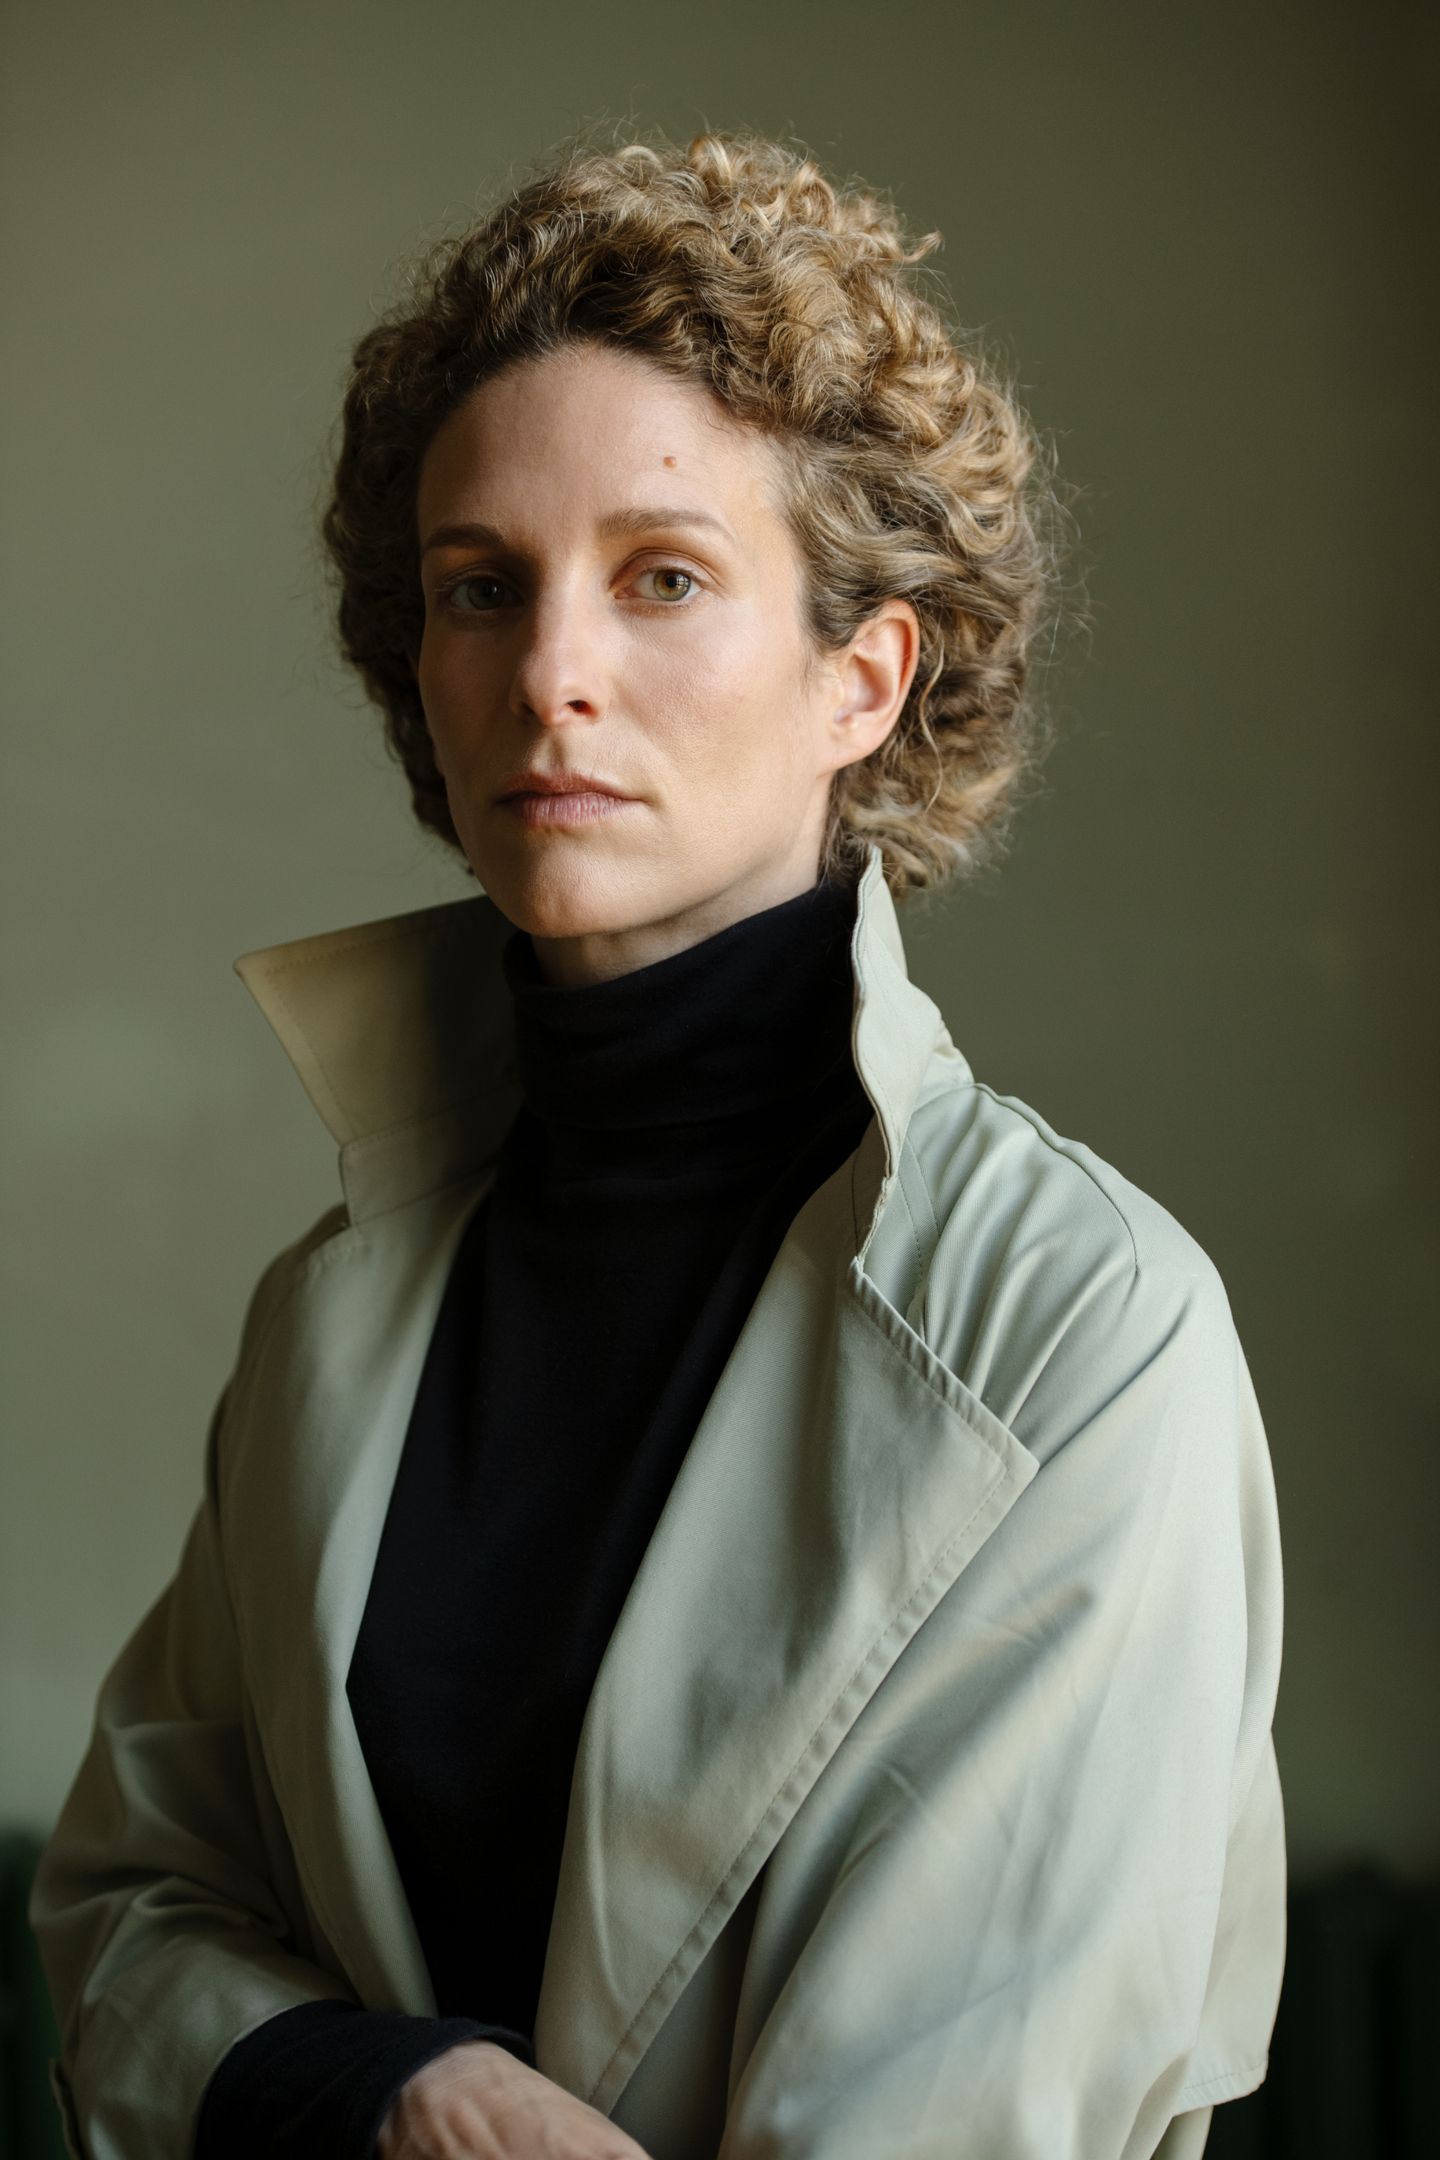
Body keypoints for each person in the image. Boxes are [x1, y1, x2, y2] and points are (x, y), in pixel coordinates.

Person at [28, 128, 1285, 2160]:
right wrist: (394, 2093)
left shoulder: (1084, 1333)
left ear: (863, 679)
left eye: (665, 578)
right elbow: (129, 1911)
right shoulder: (325, 1314)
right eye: (481, 589)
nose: (550, 676)